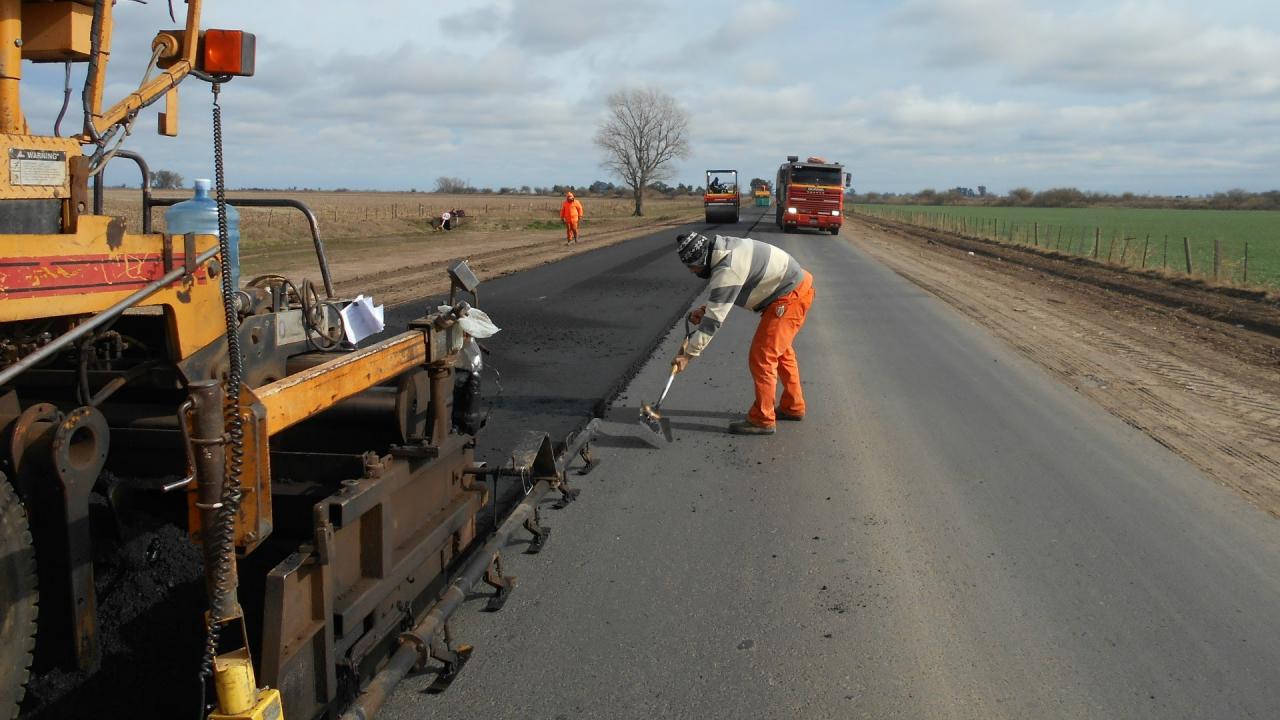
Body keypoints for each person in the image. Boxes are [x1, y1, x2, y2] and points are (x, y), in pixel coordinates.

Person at [672, 231, 816, 435]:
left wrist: (688, 355)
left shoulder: (727, 268)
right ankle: (793, 406)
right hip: (795, 288)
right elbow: (731, 292)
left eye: (692, 266)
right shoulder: (725, 249)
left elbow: (713, 322)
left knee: (762, 356)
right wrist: (705, 310)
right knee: (781, 353)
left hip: (789, 296)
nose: (692, 272)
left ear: (701, 259)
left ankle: (763, 419)